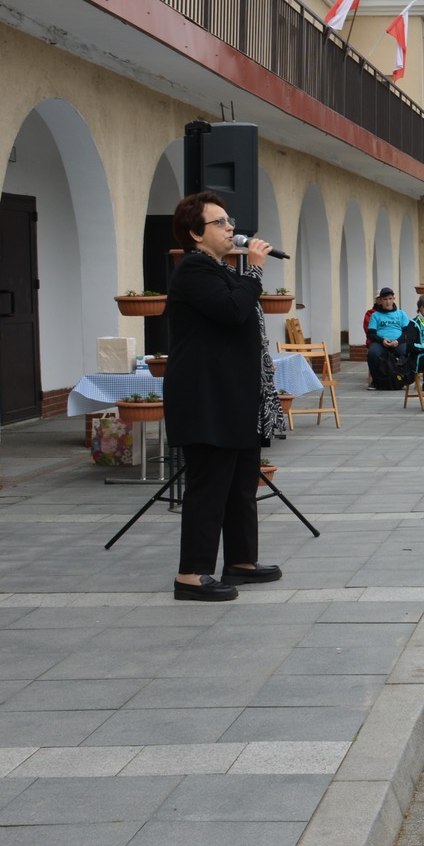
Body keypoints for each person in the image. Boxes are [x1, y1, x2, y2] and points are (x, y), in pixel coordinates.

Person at [162, 192, 282, 602]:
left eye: (230, 221)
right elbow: (232, 311)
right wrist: (256, 269)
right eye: (220, 222)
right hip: (206, 398)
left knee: (240, 483)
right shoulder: (194, 269)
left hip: (234, 397)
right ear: (196, 234)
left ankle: (241, 560)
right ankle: (191, 574)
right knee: (210, 486)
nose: (231, 227)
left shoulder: (221, 269)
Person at [364, 287, 410, 390]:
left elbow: (407, 332)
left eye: (390, 299)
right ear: (380, 300)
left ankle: (402, 379)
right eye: (385, 299)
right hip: (380, 343)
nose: (388, 302)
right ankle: (375, 381)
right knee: (373, 353)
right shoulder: (375, 315)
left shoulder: (401, 314)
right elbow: (371, 334)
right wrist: (382, 340)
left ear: (393, 299)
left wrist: (398, 341)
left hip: (398, 342)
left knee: (407, 352)